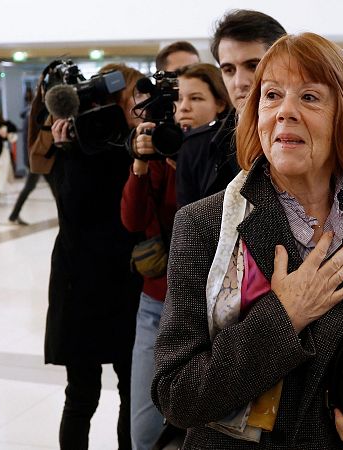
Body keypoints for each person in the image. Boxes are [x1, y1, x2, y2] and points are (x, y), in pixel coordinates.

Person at [152, 32, 343, 449]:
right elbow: (175, 394)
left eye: (309, 97)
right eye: (271, 96)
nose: (285, 111)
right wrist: (283, 316)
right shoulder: (205, 226)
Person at [123, 61, 231, 450]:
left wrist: (184, 163)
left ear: (220, 103)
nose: (182, 107)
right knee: (145, 430)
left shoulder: (218, 153)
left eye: (194, 98)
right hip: (156, 298)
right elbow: (133, 219)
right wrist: (141, 162)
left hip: (211, 305)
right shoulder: (161, 147)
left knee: (200, 426)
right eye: (177, 98)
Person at [40, 63, 145, 450]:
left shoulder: (140, 144)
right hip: (81, 282)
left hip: (124, 281)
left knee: (130, 390)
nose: (138, 102)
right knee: (82, 394)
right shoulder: (79, 144)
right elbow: (71, 208)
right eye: (132, 95)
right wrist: (66, 149)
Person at [175, 9, 286, 207]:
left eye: (253, 66)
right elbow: (188, 233)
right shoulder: (195, 149)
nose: (239, 82)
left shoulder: (312, 138)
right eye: (228, 70)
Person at [9, 88, 42, 225]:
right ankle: (14, 215)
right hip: (38, 158)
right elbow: (32, 140)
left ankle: (13, 215)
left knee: (33, 187)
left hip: (39, 157)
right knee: (30, 186)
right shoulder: (33, 114)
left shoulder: (31, 112)